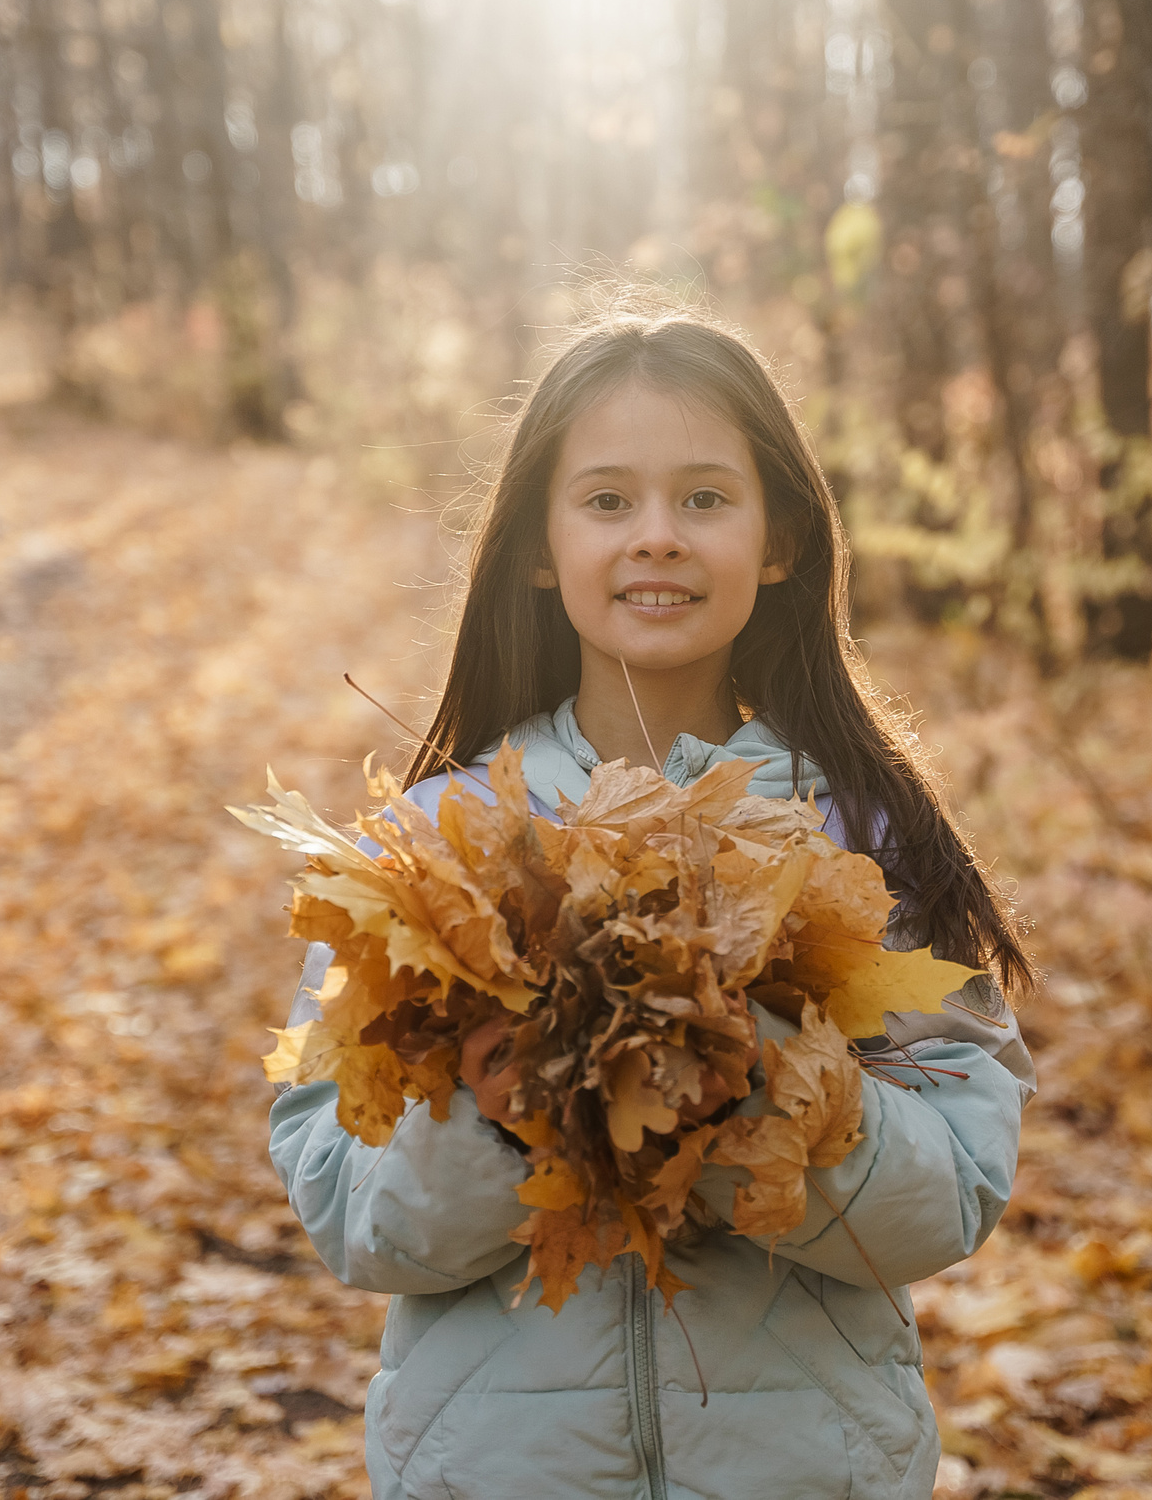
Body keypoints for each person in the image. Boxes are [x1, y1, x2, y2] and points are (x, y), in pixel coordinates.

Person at [267, 307, 1038, 1500]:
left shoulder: (864, 839)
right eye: (609, 501)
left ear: (779, 540)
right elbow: (350, 1214)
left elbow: (949, 1197)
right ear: (540, 544)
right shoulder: (432, 849)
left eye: (707, 500)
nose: (659, 539)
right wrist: (491, 1117)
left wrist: (764, 1097)